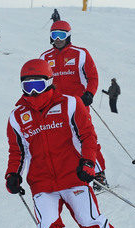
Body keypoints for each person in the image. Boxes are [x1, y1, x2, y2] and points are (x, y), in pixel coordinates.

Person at [5, 59, 135, 228]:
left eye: (37, 84)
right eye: (28, 86)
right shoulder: (17, 116)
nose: (33, 91)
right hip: (42, 184)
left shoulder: (69, 103)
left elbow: (87, 136)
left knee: (93, 224)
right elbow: (17, 151)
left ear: (49, 82)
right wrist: (12, 174)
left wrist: (88, 162)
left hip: (74, 177)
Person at [39, 20, 108, 191]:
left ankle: (98, 172)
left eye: (61, 35)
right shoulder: (45, 57)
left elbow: (93, 76)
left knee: (86, 138)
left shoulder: (81, 54)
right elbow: (41, 82)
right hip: (55, 107)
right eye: (54, 35)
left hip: (78, 105)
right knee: (60, 141)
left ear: (68, 35)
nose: (58, 39)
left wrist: (89, 94)